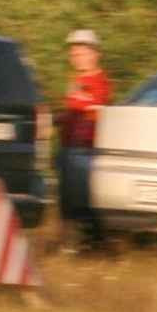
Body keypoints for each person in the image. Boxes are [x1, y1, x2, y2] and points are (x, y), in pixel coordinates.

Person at [54, 27, 114, 249]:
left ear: (94, 53)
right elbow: (75, 107)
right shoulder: (75, 80)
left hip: (84, 148)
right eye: (73, 53)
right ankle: (70, 244)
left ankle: (96, 244)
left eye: (80, 52)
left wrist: (75, 107)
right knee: (66, 201)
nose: (75, 57)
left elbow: (94, 109)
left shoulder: (100, 81)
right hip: (68, 147)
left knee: (82, 199)